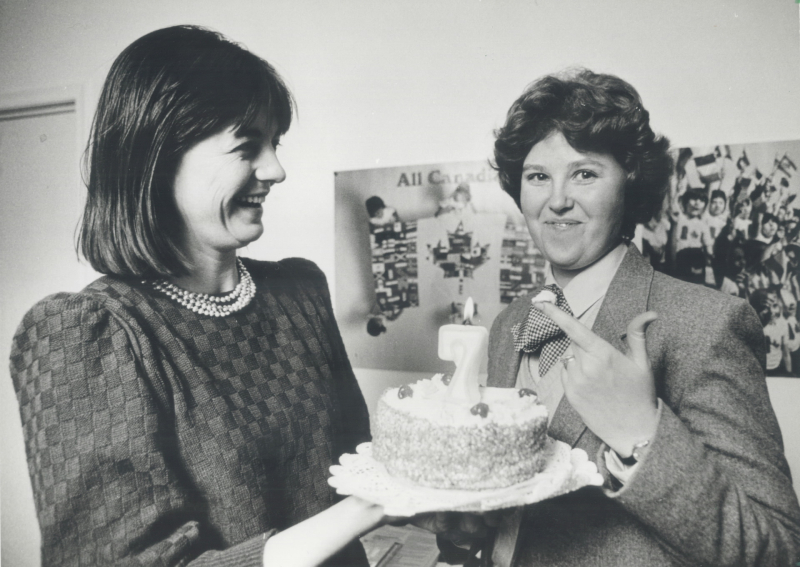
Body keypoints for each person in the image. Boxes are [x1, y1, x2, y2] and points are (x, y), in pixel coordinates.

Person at [9, 26, 396, 566]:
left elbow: (358, 463)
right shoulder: (86, 333)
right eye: (246, 147)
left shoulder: (299, 291)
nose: (276, 170)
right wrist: (369, 508)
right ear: (158, 157)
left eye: (275, 144)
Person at [437, 69, 800, 566]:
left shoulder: (707, 324)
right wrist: (467, 528)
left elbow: (779, 550)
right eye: (538, 176)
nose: (557, 199)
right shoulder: (510, 324)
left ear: (629, 186)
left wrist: (639, 433)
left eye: (584, 173)